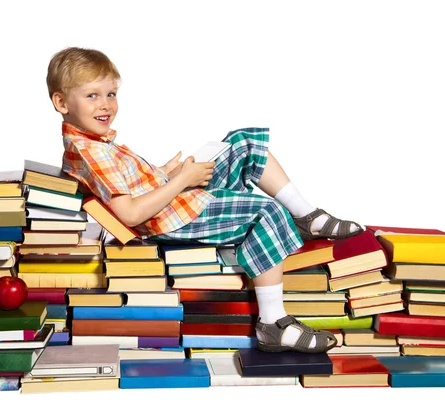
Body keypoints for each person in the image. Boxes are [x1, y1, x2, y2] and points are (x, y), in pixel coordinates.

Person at [47, 47, 363, 353]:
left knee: (244, 142)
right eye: (92, 96)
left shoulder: (93, 143)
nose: (106, 105)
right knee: (268, 211)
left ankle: (307, 216)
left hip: (172, 200)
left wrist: (162, 174)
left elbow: (120, 187)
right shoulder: (92, 151)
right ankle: (274, 323)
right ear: (61, 102)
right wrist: (183, 180)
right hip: (168, 219)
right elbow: (129, 213)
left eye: (111, 94)